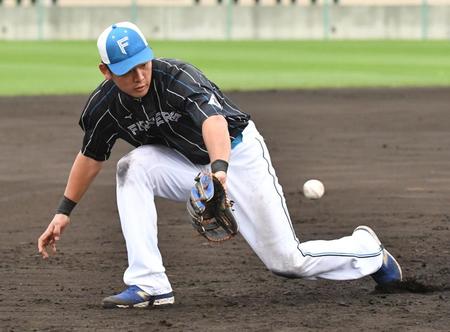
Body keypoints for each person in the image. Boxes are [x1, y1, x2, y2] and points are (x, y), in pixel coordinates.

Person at [38, 22, 402, 309]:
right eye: (127, 70)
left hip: (237, 157)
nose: (139, 76)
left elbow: (214, 123)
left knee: (288, 262)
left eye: (143, 64)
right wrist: (64, 211)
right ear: (105, 71)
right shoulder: (103, 108)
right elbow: (91, 155)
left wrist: (220, 170)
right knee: (132, 167)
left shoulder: (177, 78)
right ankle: (149, 284)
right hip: (187, 164)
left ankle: (368, 250)